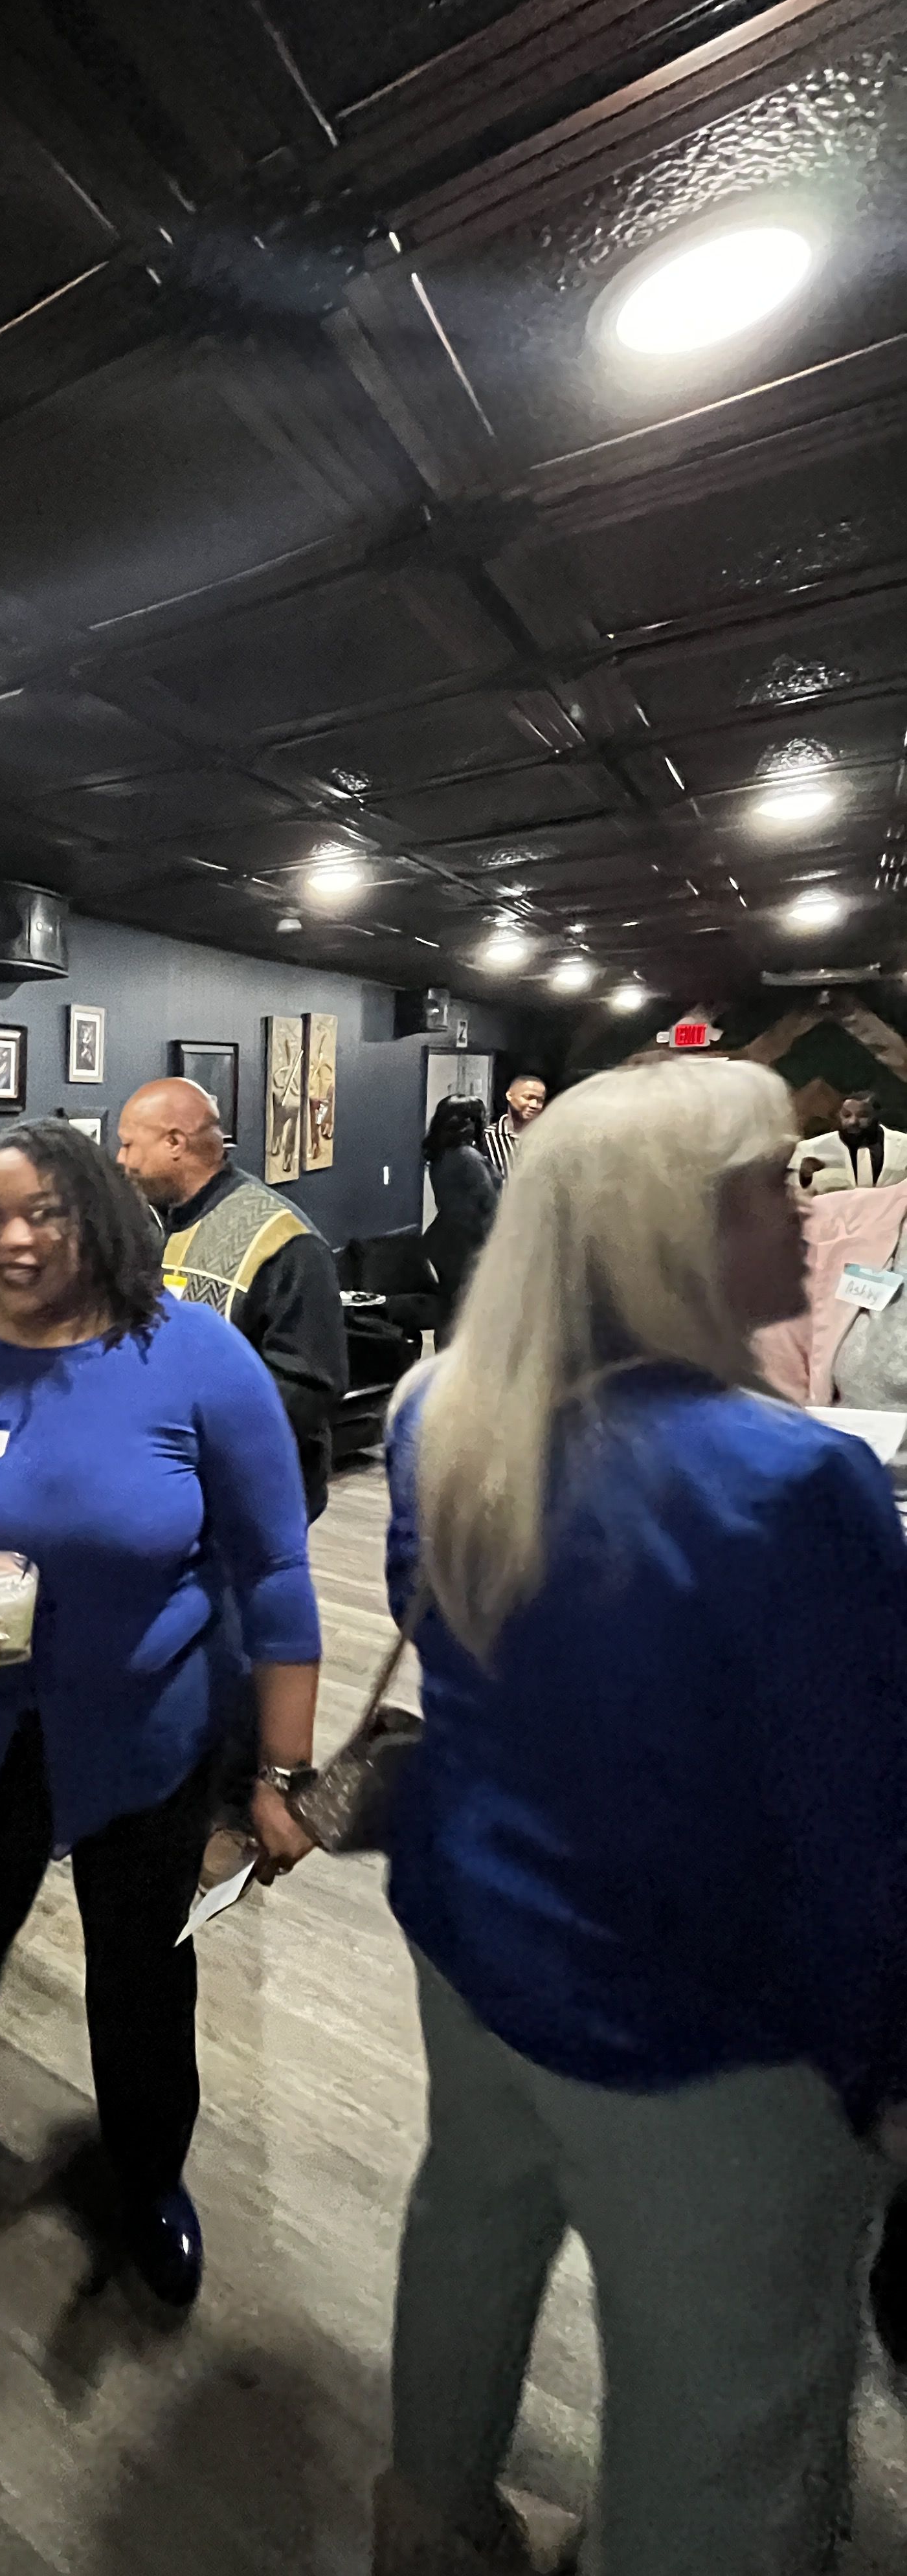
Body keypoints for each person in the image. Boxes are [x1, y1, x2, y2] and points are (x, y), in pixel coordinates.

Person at [375, 1060, 907, 2576]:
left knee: (470, 2230)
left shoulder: (438, 1411)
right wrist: (887, 2067)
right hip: (703, 2024)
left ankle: (430, 2525)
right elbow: (857, 1834)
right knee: (725, 2417)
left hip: (476, 1944)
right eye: (775, 1184)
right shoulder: (796, 1480)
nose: (811, 1213)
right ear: (672, 1226)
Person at [0, 1120, 320, 2309]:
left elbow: (274, 1571)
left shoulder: (195, 1355)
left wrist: (282, 1773)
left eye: (42, 1211)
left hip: (151, 1730)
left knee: (143, 1975)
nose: (13, 1237)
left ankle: (147, 2178)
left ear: (98, 1217)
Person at [115, 1076, 348, 1520]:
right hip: (169, 1488)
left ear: (175, 1143)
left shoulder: (285, 1241)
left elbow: (310, 1385)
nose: (121, 1159)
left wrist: (195, 1430)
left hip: (256, 1497)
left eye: (129, 1145)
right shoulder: (149, 1225)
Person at [421, 1094, 497, 1341]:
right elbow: (490, 1205)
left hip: (446, 1242)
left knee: (451, 1312)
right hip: (470, 1247)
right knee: (467, 1315)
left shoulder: (440, 1155)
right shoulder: (468, 1157)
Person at [792, 1087, 907, 1192]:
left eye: (863, 1115)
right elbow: (794, 1195)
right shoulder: (809, 1149)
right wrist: (805, 1176)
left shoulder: (904, 1145)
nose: (853, 1122)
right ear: (838, 1115)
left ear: (877, 1115)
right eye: (847, 1115)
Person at [480, 1072, 545, 1184]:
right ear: (509, 1096)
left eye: (540, 1100)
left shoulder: (547, 1138)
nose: (534, 1105)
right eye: (528, 1097)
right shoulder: (486, 1138)